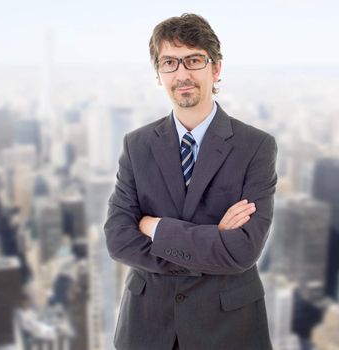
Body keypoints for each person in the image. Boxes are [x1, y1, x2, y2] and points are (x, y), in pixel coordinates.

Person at [104, 13, 277, 350]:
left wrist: (155, 228)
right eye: (169, 62)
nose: (181, 74)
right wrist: (215, 243)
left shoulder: (256, 146)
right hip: (147, 328)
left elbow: (243, 250)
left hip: (228, 330)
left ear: (215, 69)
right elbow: (118, 239)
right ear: (159, 75)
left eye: (193, 60)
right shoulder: (137, 145)